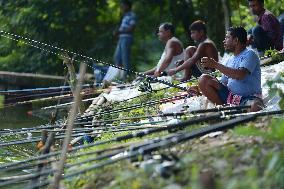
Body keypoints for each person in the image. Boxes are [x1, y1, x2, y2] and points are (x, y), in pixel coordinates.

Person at [198, 26, 263, 112]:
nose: (224, 41)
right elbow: (223, 82)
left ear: (236, 40)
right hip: (231, 97)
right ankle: (224, 110)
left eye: (227, 37)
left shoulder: (250, 54)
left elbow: (240, 75)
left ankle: (232, 110)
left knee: (255, 106)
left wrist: (216, 65)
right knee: (203, 79)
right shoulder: (229, 59)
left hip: (248, 97)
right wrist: (198, 88)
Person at [112, 0, 136, 80]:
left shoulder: (132, 15)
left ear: (128, 6)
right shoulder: (125, 16)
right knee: (117, 57)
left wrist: (119, 31)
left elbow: (131, 28)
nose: (122, 7)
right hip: (121, 38)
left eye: (123, 5)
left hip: (127, 38)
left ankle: (126, 77)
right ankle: (118, 76)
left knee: (125, 58)